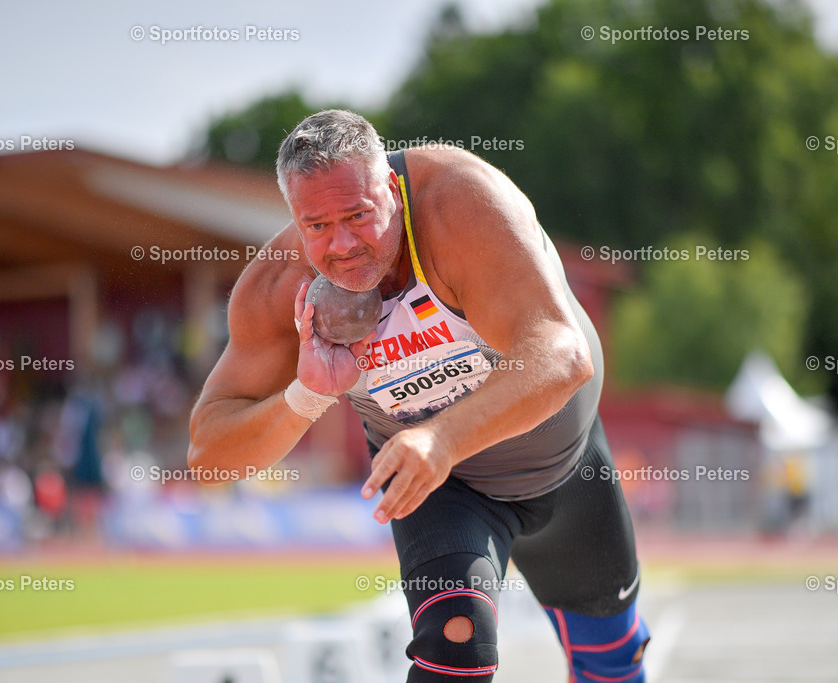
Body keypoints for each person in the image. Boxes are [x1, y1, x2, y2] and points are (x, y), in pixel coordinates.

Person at [189, 109, 650, 681]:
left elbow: (563, 353)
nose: (343, 244)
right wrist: (306, 396)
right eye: (317, 227)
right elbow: (209, 459)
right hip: (445, 489)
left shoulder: (460, 204)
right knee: (456, 644)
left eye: (359, 215)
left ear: (391, 186)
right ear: (293, 219)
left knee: (612, 663)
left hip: (564, 466)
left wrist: (443, 436)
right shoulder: (281, 288)